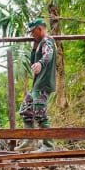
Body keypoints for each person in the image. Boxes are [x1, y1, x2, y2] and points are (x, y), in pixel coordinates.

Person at [16, 18, 57, 153]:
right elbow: (33, 62)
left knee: (40, 114)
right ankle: (29, 142)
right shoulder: (40, 43)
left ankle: (48, 146)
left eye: (33, 32)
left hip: (44, 84)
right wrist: (34, 48)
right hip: (37, 85)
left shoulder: (47, 41)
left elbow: (48, 55)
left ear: (39, 29)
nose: (32, 35)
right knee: (26, 110)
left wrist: (41, 63)